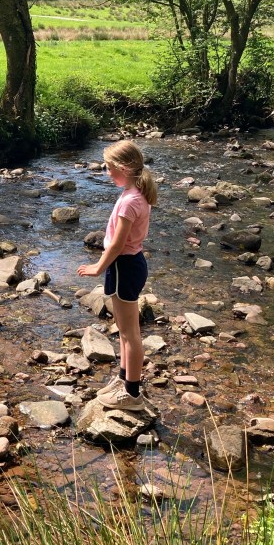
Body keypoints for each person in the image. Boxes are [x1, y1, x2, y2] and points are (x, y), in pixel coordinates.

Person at [77, 140, 158, 411]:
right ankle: (124, 380)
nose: (107, 173)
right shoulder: (136, 193)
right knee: (125, 333)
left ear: (124, 168)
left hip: (124, 266)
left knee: (130, 334)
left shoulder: (130, 202)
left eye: (110, 168)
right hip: (129, 264)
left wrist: (98, 267)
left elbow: (117, 244)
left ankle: (132, 395)